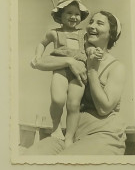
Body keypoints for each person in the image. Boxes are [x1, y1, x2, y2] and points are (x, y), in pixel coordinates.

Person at [27, 10, 126, 155]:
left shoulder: (117, 67)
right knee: (32, 155)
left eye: (99, 23)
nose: (92, 26)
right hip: (71, 134)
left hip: (103, 134)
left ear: (111, 33)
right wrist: (69, 61)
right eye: (91, 22)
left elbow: (104, 108)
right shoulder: (76, 55)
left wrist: (92, 70)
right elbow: (39, 62)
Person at [31, 0, 89, 148]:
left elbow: (90, 49)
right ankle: (56, 126)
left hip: (79, 72)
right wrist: (38, 55)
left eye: (77, 14)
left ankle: (69, 137)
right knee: (58, 99)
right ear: (60, 15)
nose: (73, 17)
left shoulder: (83, 34)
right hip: (60, 69)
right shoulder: (54, 33)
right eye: (69, 13)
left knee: (73, 104)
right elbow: (42, 44)